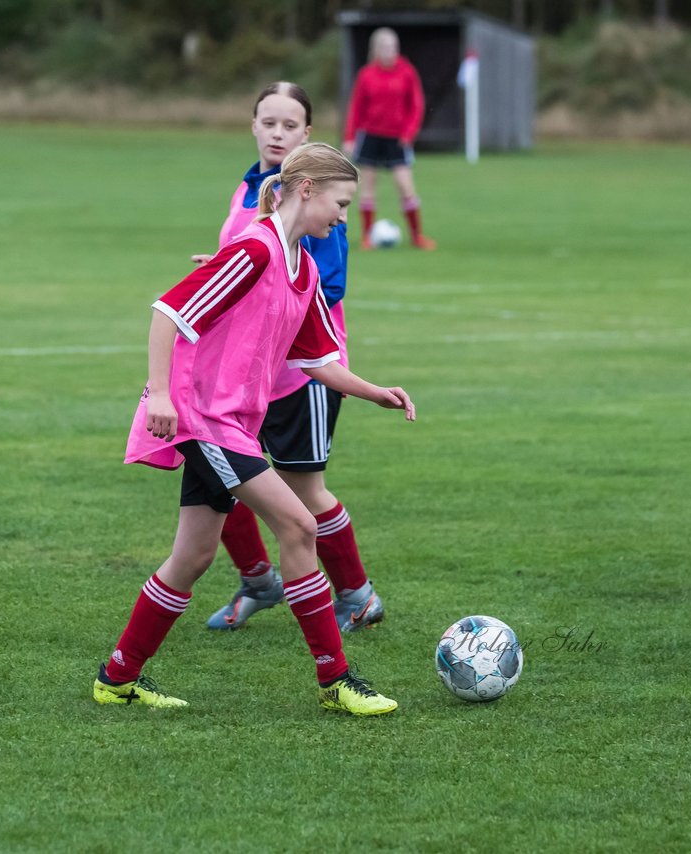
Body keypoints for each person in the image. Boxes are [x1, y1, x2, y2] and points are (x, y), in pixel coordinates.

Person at [93, 143, 415, 715]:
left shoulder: (305, 266)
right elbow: (168, 312)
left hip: (236, 425)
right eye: (341, 204)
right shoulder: (253, 251)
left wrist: (377, 393)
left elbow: (315, 360)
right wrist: (162, 394)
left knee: (191, 557)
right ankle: (336, 681)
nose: (344, 216)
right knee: (297, 523)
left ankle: (117, 677)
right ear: (307, 188)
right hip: (204, 420)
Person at [190, 82, 387, 634]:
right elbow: (252, 257)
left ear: (307, 134)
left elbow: (317, 290)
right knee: (215, 470)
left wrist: (249, 282)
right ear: (252, 125)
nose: (277, 133)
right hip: (240, 370)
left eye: (290, 125)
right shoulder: (250, 188)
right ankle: (258, 581)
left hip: (304, 375)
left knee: (304, 490)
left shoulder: (318, 205)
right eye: (268, 121)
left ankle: (357, 594)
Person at [343, 27, 436, 251]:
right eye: (384, 47)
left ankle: (417, 236)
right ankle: (367, 236)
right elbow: (356, 107)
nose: (389, 51)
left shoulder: (407, 72)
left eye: (393, 47)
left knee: (405, 186)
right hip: (370, 135)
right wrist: (350, 137)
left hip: (397, 138)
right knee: (368, 187)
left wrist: (409, 133)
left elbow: (416, 105)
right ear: (376, 50)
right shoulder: (366, 74)